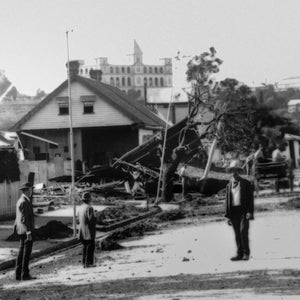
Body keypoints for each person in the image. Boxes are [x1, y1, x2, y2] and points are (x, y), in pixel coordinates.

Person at [225, 159, 254, 261]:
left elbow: (250, 199)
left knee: (243, 232)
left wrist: (250, 212)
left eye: (236, 170)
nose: (234, 172)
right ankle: (239, 254)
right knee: (237, 234)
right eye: (232, 170)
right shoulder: (229, 185)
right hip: (233, 212)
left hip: (244, 211)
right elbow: (227, 201)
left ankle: (246, 253)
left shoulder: (246, 183)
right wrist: (227, 216)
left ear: (239, 171)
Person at [14, 182, 36, 281]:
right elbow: (24, 218)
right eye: (30, 189)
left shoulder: (21, 201)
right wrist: (28, 232)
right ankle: (25, 275)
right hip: (26, 231)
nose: (31, 191)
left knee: (21, 252)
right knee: (26, 253)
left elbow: (18, 218)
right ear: (26, 191)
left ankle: (18, 275)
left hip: (21, 230)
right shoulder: (24, 202)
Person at [78, 192, 96, 268]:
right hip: (88, 231)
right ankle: (89, 263)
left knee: (85, 247)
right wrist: (96, 217)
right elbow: (91, 220)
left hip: (82, 231)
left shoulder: (81, 207)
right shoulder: (89, 208)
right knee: (90, 247)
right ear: (89, 200)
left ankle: (84, 263)